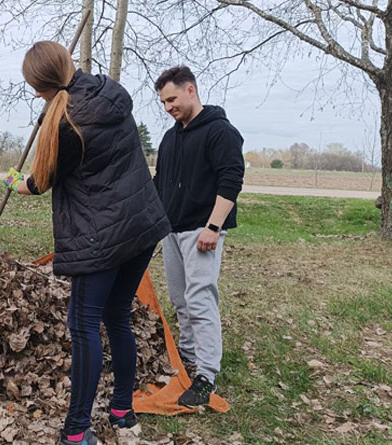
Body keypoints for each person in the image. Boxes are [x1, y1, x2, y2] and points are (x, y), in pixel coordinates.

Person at [3, 41, 171, 445]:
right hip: (141, 226)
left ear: (35, 87)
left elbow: (39, 182)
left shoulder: (65, 123)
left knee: (83, 327)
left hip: (100, 238)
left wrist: (11, 181)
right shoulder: (110, 93)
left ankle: (76, 431)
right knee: (117, 316)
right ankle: (121, 410)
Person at [152, 65, 244, 408]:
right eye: (163, 102)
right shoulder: (170, 136)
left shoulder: (221, 132)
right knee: (180, 299)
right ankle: (188, 359)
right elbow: (160, 183)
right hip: (171, 230)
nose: (168, 107)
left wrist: (214, 227)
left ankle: (206, 375)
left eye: (172, 99)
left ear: (191, 90)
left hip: (202, 230)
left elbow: (231, 180)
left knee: (201, 297)